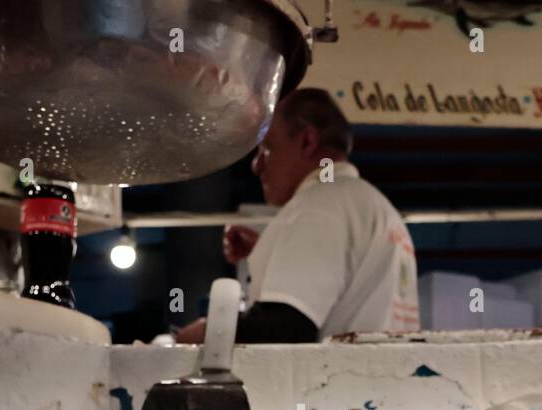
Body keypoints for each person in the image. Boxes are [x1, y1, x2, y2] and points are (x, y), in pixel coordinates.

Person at [175, 88, 419, 344]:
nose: (256, 166)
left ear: (307, 142)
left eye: (266, 148)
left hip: (335, 382)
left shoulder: (318, 205)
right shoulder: (377, 207)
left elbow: (286, 327)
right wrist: (272, 252)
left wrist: (208, 332)